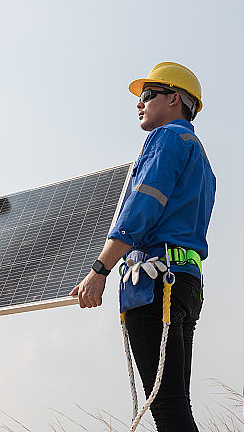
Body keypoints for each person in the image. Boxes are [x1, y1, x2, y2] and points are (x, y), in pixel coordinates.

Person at [71, 62, 215, 432]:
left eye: (148, 95)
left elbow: (141, 208)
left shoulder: (166, 139)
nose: (140, 103)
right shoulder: (200, 157)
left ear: (173, 99)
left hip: (155, 283)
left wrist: (99, 269)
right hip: (185, 282)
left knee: (166, 408)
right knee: (176, 404)